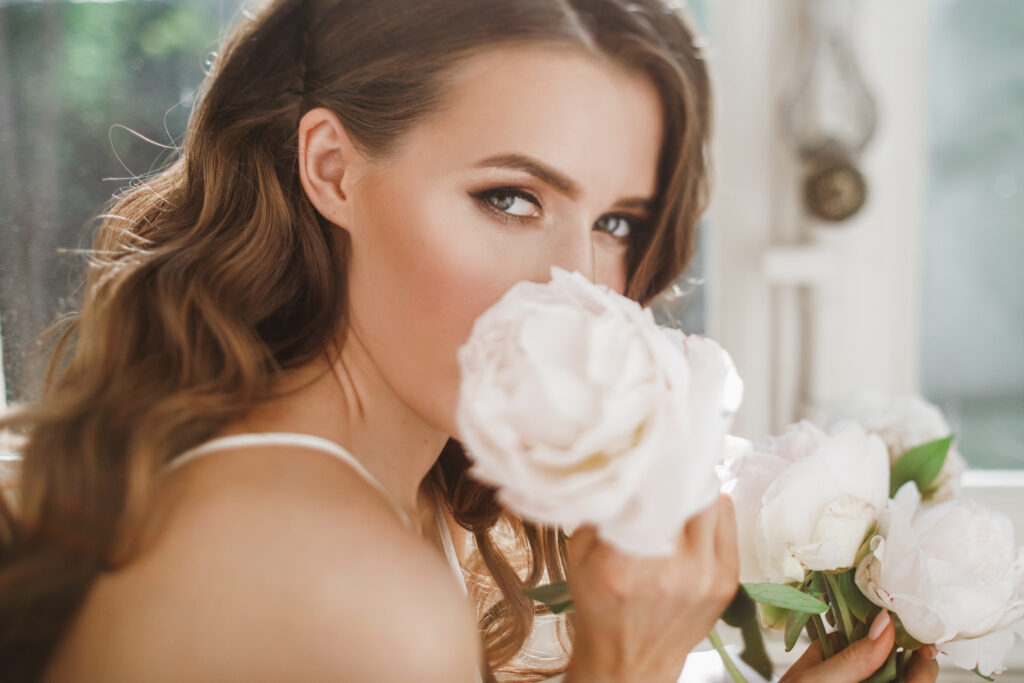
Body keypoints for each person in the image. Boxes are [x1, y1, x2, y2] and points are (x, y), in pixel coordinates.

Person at [0, 0, 940, 681]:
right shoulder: (341, 575)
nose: (576, 283)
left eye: (617, 222)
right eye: (510, 199)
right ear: (331, 168)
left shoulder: (407, 500)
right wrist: (621, 668)